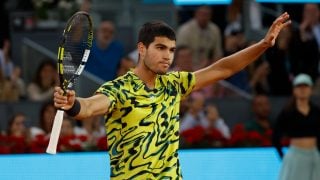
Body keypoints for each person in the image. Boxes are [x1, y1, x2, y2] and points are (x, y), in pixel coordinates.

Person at [53, 13, 290, 179]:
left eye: (172, 50)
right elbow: (90, 107)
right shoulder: (119, 88)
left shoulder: (174, 83)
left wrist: (263, 44)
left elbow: (222, 69)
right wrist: (73, 105)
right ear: (142, 49)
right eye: (160, 48)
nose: (168, 56)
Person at [272, 73, 320, 180]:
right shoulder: (287, 112)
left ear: (311, 89)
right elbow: (276, 136)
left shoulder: (316, 111)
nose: (302, 89)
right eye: (299, 86)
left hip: (314, 155)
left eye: (305, 86)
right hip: (296, 156)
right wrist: (283, 156)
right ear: (294, 90)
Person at [176, 5, 223, 70]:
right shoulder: (185, 30)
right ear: (196, 14)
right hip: (186, 69)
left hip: (207, 67)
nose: (204, 18)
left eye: (207, 15)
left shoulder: (215, 29)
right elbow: (180, 56)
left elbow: (218, 55)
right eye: (202, 14)